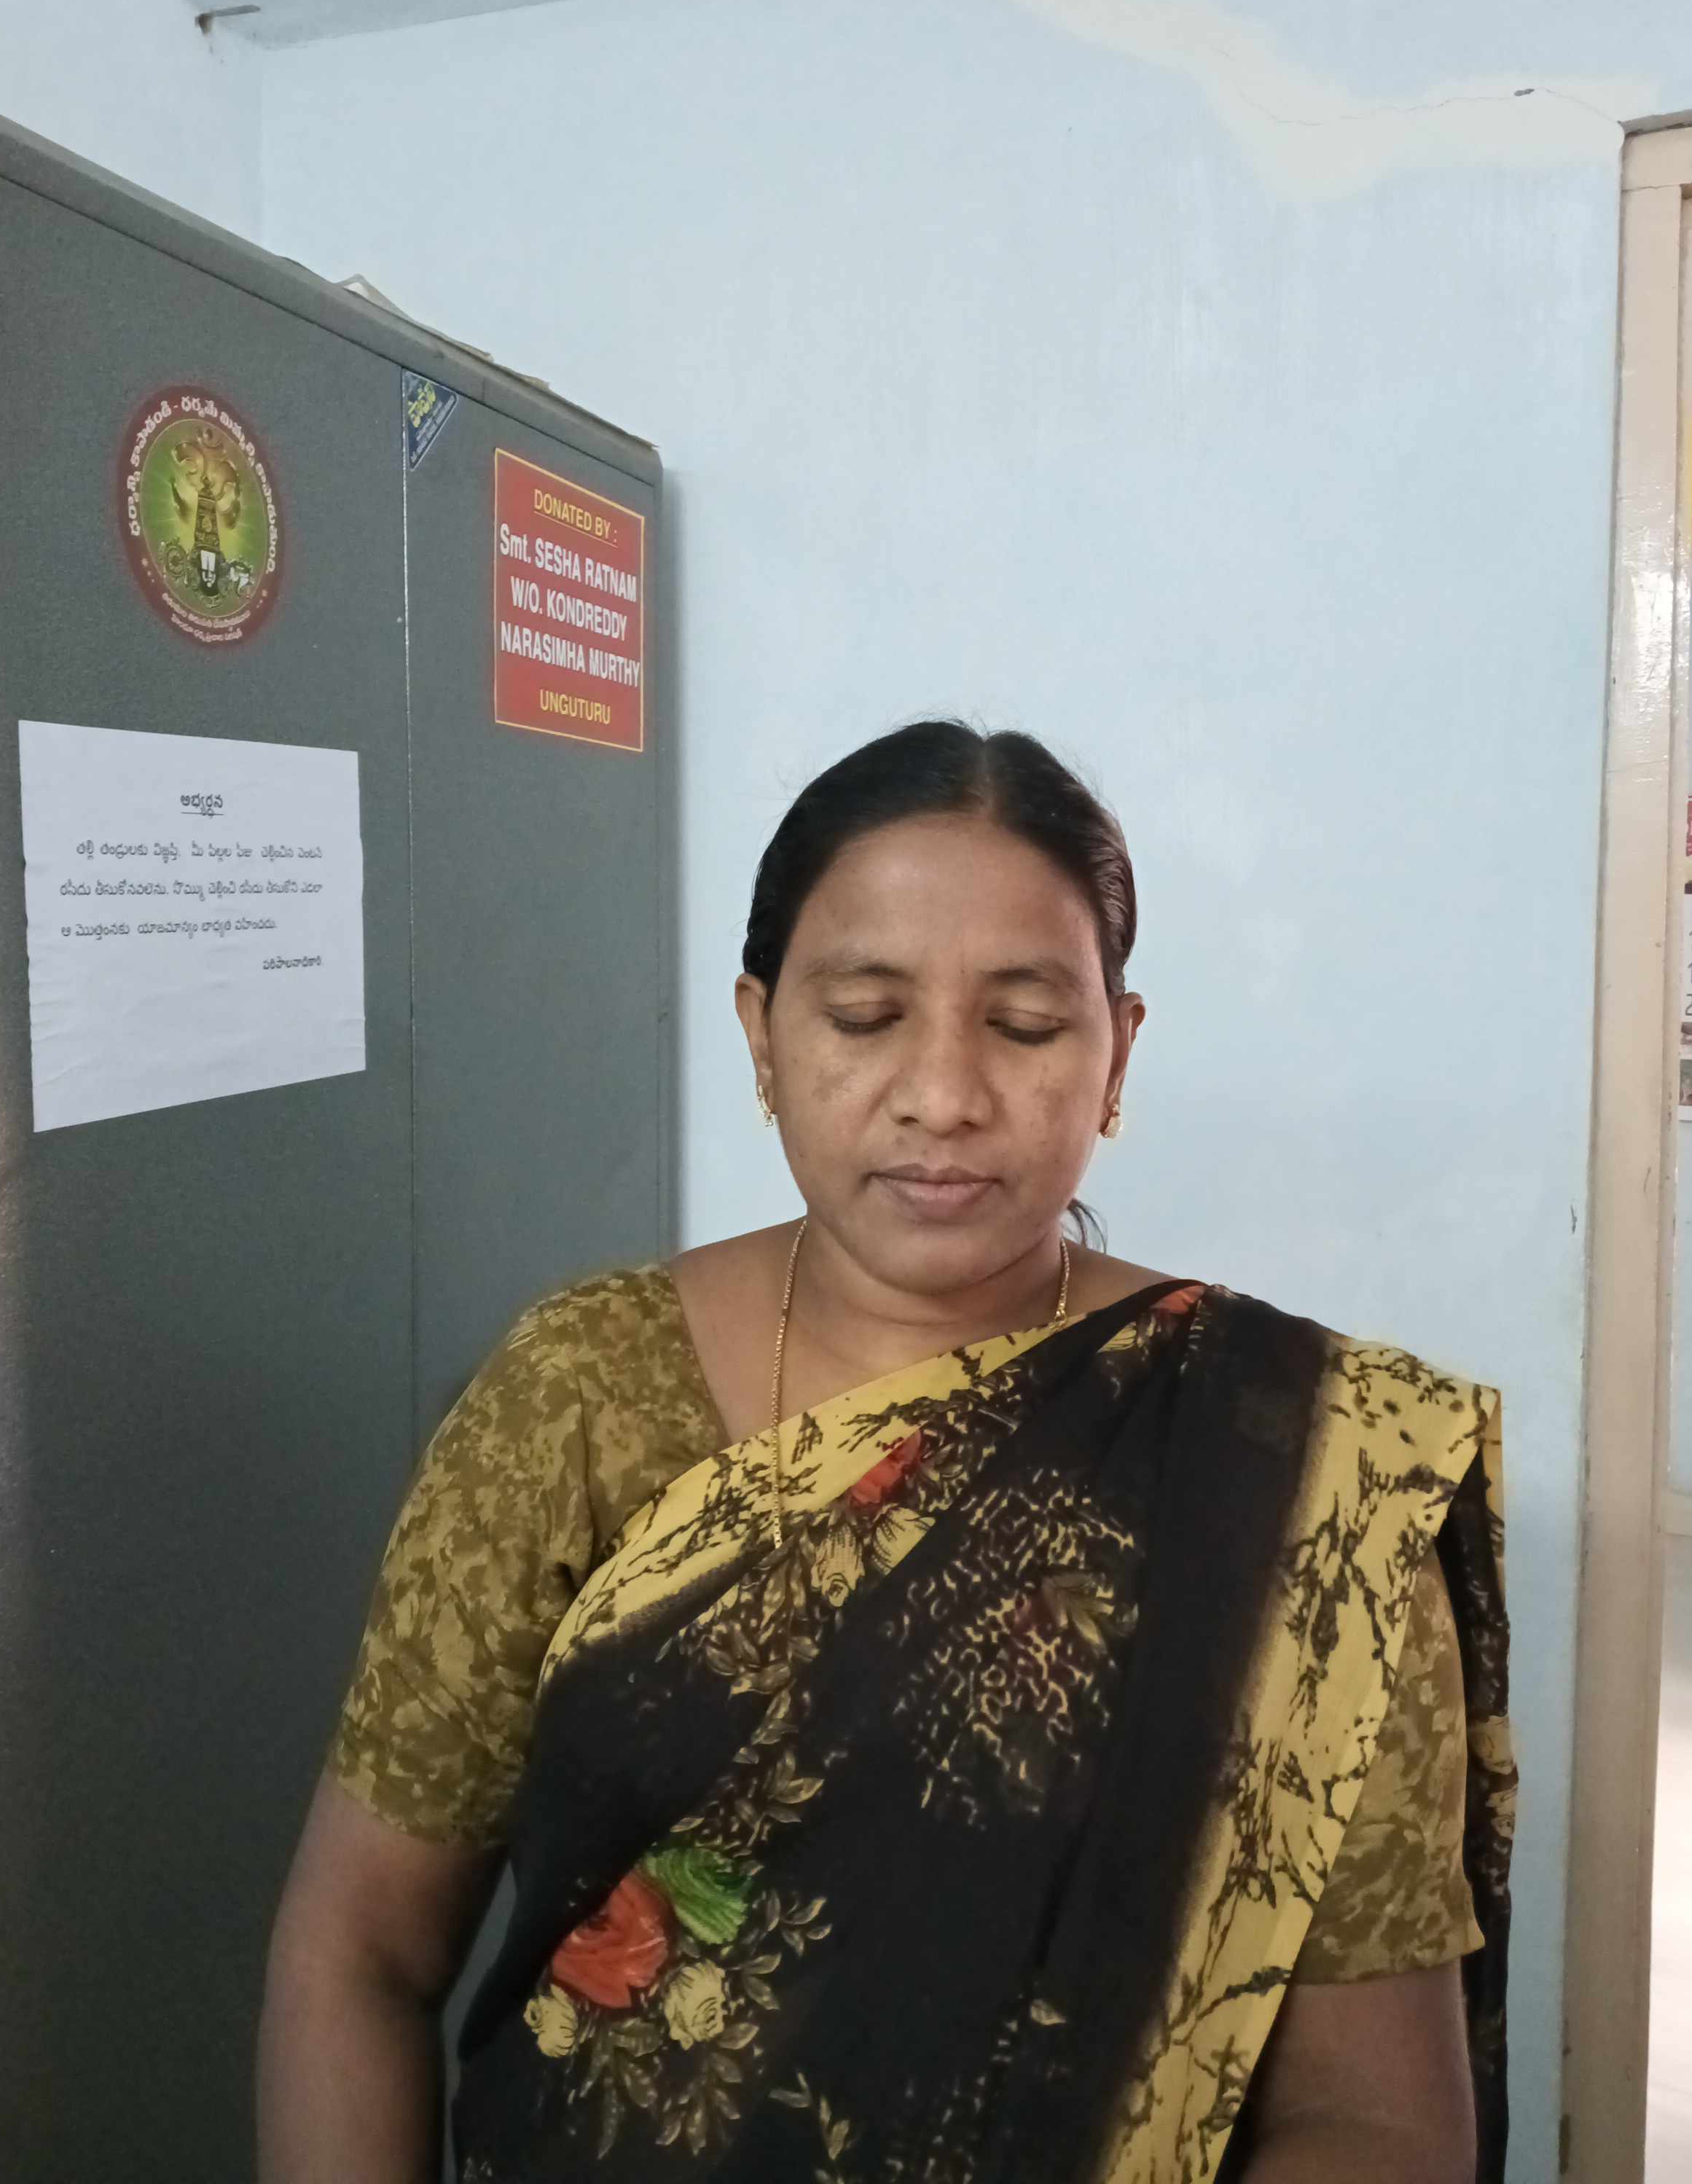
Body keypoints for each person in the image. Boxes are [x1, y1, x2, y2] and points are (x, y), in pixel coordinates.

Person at [258, 722, 1514, 2184]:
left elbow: (1375, 2119)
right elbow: (356, 1953)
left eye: (1025, 1025)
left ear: (1118, 1052)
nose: (943, 1094)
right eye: (865, 1016)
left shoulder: (1297, 1470)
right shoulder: (581, 1395)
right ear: (761, 1036)